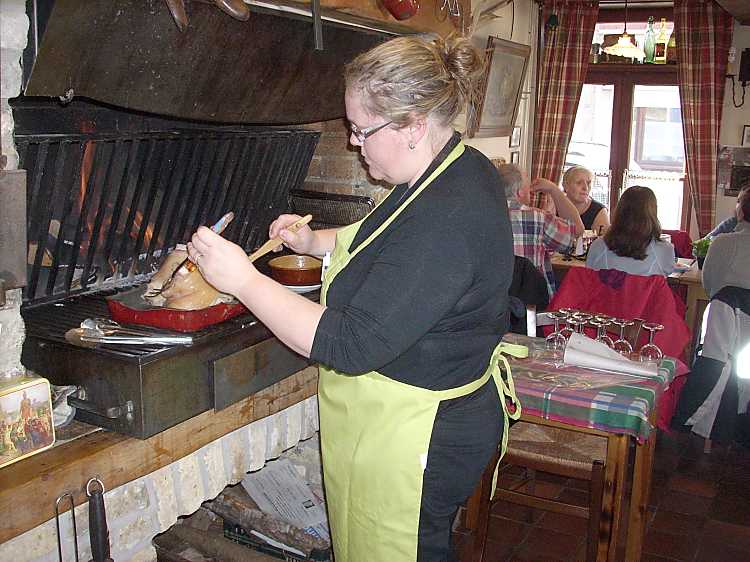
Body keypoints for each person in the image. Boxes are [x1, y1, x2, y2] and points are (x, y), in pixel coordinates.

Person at [188, 35, 521, 562]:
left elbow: (348, 343)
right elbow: (386, 239)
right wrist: (315, 242)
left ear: (412, 126)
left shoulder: (448, 215)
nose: (353, 143)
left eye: (362, 130)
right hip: (424, 412)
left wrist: (243, 280)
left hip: (421, 434)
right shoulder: (450, 166)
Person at [496, 163, 584, 297]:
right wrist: (554, 190)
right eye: (528, 186)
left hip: (494, 302)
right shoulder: (539, 217)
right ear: (519, 192)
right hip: (531, 300)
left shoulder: (481, 215)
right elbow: (577, 230)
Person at [586, 185, 675, 276]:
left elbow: (589, 272)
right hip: (644, 290)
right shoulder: (664, 250)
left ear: (619, 211)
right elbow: (668, 271)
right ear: (652, 214)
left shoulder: (598, 245)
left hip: (606, 290)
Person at [702, 186, 750, 298]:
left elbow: (708, 284)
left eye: (739, 201)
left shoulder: (722, 242)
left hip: (725, 311)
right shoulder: (727, 227)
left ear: (741, 211)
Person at [561, 165, 610, 233]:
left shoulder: (599, 210)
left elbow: (603, 241)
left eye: (588, 183)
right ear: (565, 185)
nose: (585, 188)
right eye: (579, 183)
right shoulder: (555, 204)